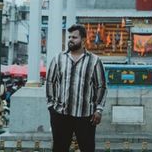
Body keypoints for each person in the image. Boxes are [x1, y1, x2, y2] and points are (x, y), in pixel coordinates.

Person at [46, 23, 107, 152]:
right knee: (59, 148)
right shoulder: (58, 59)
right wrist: (51, 107)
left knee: (87, 148)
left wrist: (99, 110)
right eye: (69, 37)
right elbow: (50, 82)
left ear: (83, 40)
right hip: (61, 114)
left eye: (74, 37)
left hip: (85, 115)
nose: (70, 40)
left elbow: (101, 86)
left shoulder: (94, 61)